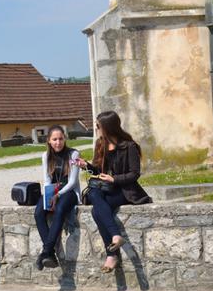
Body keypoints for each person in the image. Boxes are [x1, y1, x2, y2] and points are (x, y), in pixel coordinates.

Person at [76, 111, 152, 273]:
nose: (96, 129)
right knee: (94, 194)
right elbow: (98, 169)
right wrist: (87, 166)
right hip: (104, 189)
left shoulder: (129, 146)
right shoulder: (100, 144)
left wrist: (114, 179)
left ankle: (112, 254)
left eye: (98, 126)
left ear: (108, 127)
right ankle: (116, 237)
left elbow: (134, 174)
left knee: (97, 212)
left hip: (124, 191)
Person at [34, 125, 80, 271]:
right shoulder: (46, 156)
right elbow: (47, 180)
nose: (58, 142)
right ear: (48, 140)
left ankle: (46, 252)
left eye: (60, 139)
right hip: (53, 190)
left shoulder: (73, 154)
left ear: (64, 139)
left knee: (59, 210)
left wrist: (58, 195)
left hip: (69, 192)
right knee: (39, 212)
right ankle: (50, 253)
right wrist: (48, 195)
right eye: (54, 139)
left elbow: (72, 182)